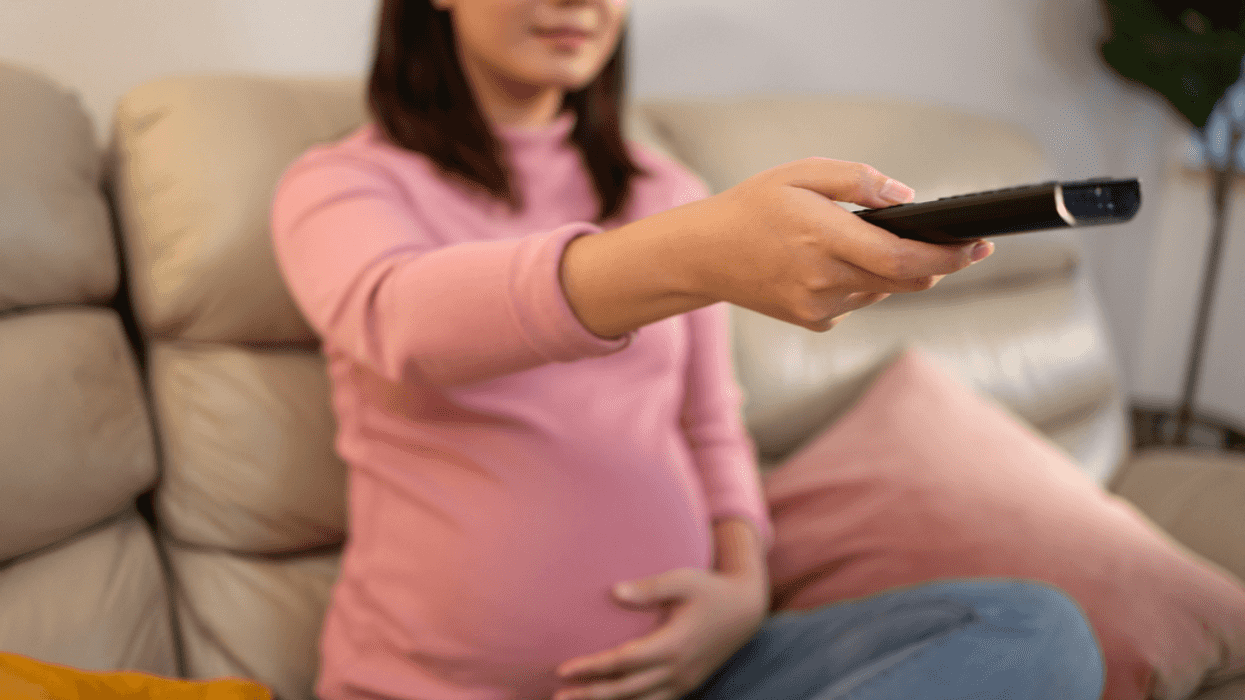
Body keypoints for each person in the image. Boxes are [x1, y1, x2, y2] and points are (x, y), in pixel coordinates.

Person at [268, 1, 1107, 699]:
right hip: (442, 690)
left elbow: (711, 427)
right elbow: (401, 322)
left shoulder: (661, 190)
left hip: (707, 673)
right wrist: (693, 252)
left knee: (1034, 631)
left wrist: (742, 591)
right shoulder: (344, 183)